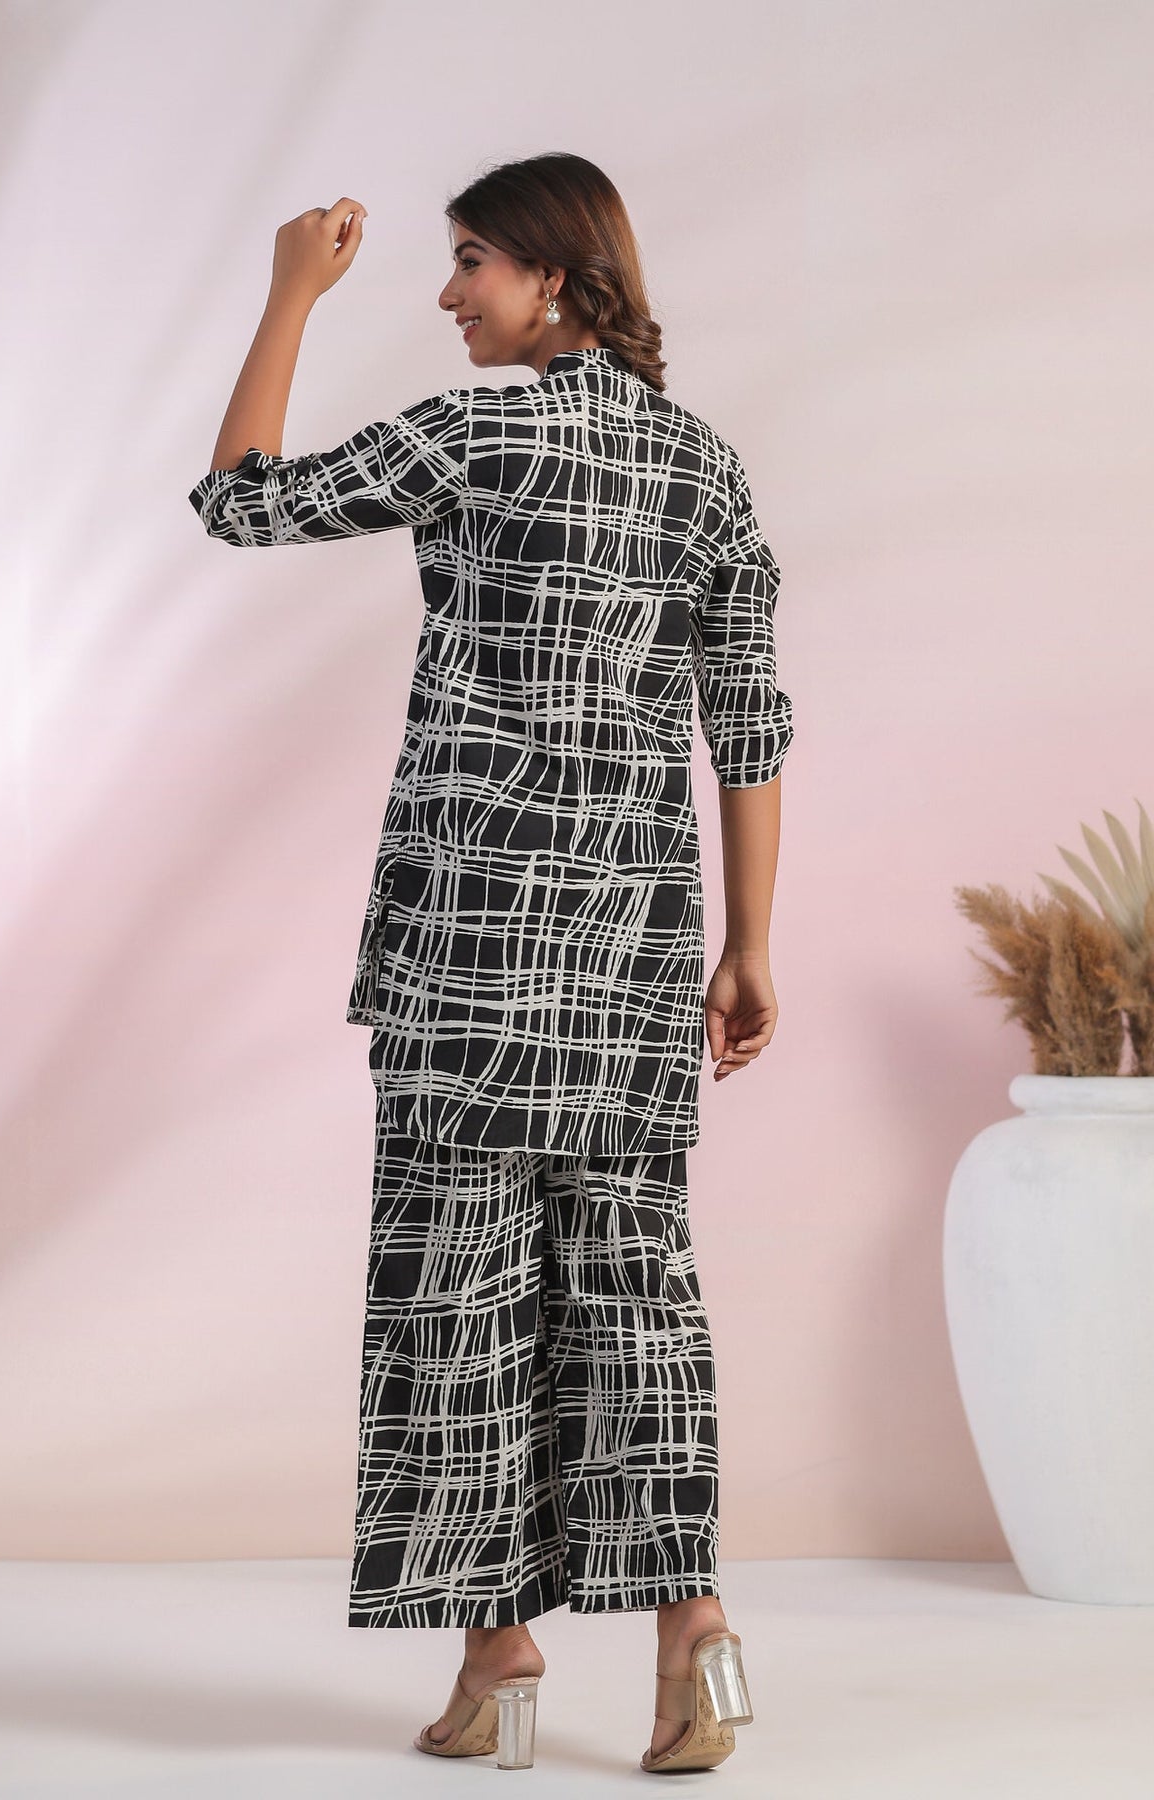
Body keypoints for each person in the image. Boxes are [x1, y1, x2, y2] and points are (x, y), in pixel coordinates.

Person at [188, 151, 792, 1776]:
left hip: (467, 944)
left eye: (472, 262)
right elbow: (749, 720)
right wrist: (749, 946)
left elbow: (243, 500)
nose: (450, 294)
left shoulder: (480, 433)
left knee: (454, 1292)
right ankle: (696, 1641)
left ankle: (497, 1660)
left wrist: (291, 292)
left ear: (557, 279)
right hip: (639, 948)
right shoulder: (705, 468)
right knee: (636, 1289)